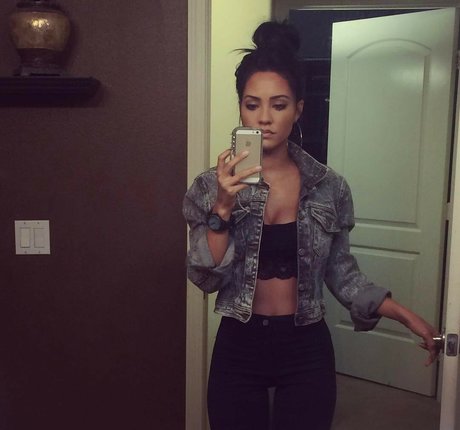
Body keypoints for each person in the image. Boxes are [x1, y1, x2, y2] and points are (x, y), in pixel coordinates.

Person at [183, 21, 440, 430]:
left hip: (305, 346)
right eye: (252, 104)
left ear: (298, 109)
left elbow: (343, 275)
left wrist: (405, 315)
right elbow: (206, 278)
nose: (264, 118)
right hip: (239, 343)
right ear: (241, 107)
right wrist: (223, 207)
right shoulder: (210, 186)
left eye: (279, 105)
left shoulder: (328, 187)